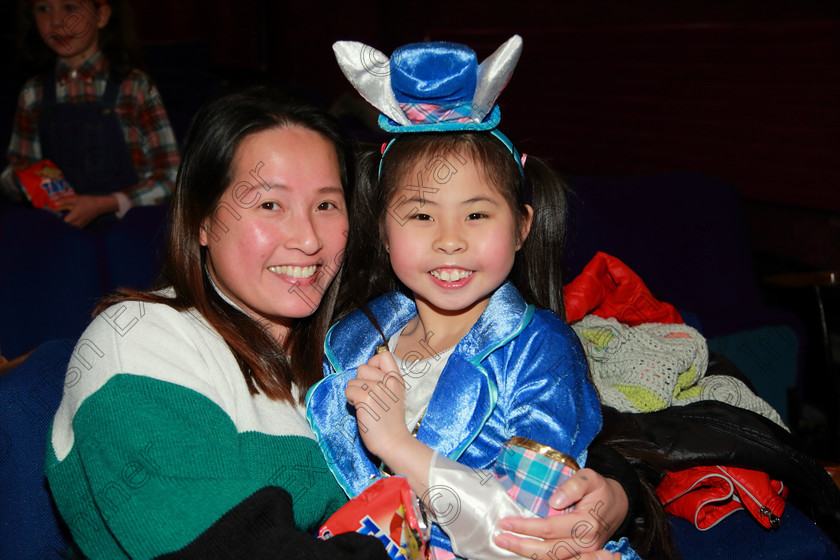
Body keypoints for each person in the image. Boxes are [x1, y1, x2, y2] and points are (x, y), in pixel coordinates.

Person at [306, 37, 644, 560]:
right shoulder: (350, 338)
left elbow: (531, 531)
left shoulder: (540, 351)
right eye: (421, 215)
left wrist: (398, 445)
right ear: (382, 231)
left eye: (477, 214)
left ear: (521, 227)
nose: (449, 239)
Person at [44, 88, 391, 559]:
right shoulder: (139, 338)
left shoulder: (348, 361)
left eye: (326, 205)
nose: (309, 239)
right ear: (203, 220)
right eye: (270, 205)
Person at [1, 0, 179, 227]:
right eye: (44, 9)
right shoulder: (32, 93)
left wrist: (108, 203)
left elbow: (172, 176)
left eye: (70, 7)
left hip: (131, 231)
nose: (56, 21)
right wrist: (18, 180)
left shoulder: (134, 87)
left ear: (101, 15)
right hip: (63, 233)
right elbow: (20, 167)